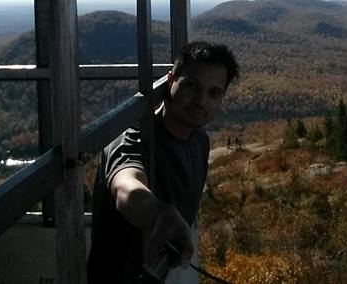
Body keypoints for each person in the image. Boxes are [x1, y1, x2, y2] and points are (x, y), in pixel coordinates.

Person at [87, 41, 239, 283]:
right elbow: (126, 184)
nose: (201, 100)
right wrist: (157, 213)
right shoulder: (133, 137)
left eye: (213, 93)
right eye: (191, 85)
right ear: (171, 81)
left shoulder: (199, 140)